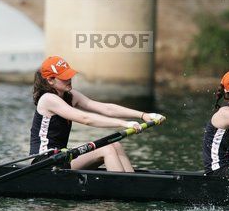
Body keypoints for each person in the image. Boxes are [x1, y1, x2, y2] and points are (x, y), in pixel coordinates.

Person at [30, 55, 164, 172]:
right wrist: (124, 123)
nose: (69, 79)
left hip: (61, 158)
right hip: (44, 163)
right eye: (64, 77)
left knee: (115, 145)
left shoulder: (70, 95)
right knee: (106, 149)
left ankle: (133, 183)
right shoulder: (48, 99)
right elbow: (85, 118)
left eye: (69, 75)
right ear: (50, 80)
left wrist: (143, 115)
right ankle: (122, 191)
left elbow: (106, 108)